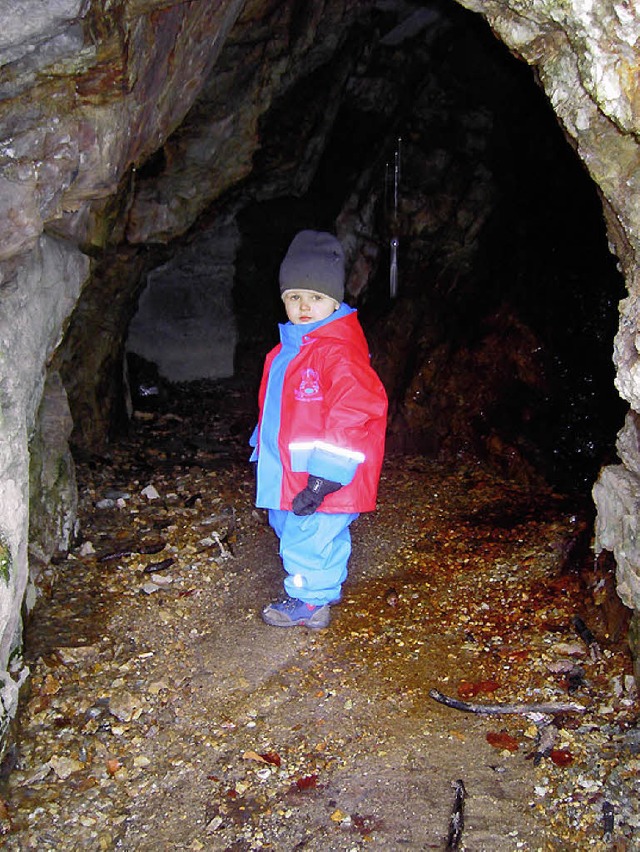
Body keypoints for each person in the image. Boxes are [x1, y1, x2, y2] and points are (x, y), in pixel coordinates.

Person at [249, 230, 388, 628]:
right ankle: (315, 593)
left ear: (335, 300)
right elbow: (276, 408)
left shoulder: (338, 352)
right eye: (294, 297)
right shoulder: (286, 350)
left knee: (309, 536)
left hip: (322, 475)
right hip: (289, 471)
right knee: (297, 530)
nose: (304, 306)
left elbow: (355, 411)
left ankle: (310, 600)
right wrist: (261, 445)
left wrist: (326, 476)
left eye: (315, 298)